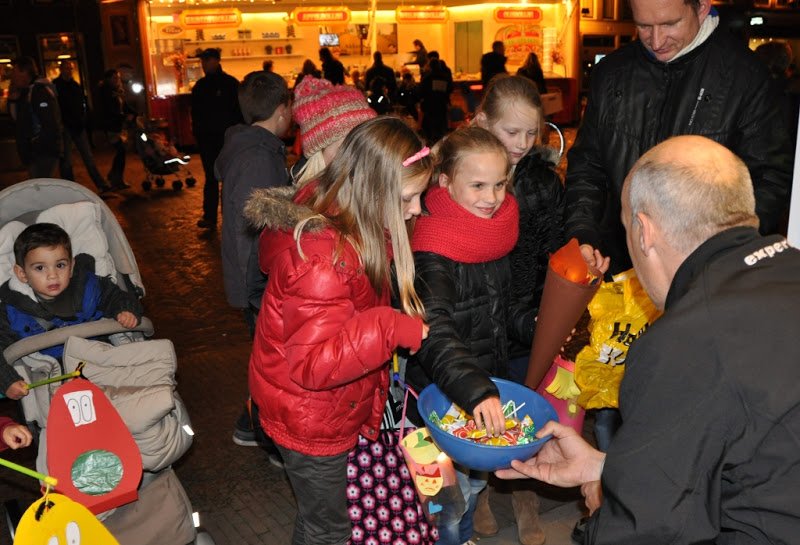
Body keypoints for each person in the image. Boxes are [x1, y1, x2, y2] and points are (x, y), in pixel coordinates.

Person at [498, 135, 800, 544]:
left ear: (643, 231)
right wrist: (610, 468)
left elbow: (646, 530)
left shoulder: (682, 342)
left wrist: (608, 506)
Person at [245, 116, 432, 545]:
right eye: (408, 198)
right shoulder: (324, 260)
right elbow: (313, 364)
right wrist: (388, 327)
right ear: (370, 191)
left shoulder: (356, 223)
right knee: (329, 529)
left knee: (318, 518)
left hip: (322, 411)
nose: (417, 209)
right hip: (310, 423)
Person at [565, 0, 793, 278]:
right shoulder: (612, 73)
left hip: (705, 272)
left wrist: (720, 254)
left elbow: (769, 179)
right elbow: (588, 166)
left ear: (702, 7)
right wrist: (583, 233)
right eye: (644, 26)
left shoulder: (746, 77)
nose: (656, 41)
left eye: (670, 24)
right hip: (618, 263)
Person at [406, 126, 517, 545]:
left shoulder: (492, 234)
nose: (492, 198)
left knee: (471, 488)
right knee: (444, 501)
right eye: (478, 185)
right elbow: (434, 330)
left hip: (481, 391)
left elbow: (502, 307)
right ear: (445, 182)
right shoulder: (433, 248)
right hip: (442, 394)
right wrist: (474, 389)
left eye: (500, 184)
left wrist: (540, 324)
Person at [472, 74, 569, 545]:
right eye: (511, 132)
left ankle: (525, 494)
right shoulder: (458, 170)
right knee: (479, 408)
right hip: (474, 313)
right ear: (482, 121)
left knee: (524, 408)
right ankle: (484, 491)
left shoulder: (541, 181)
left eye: (532, 133)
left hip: (523, 314)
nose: (523, 143)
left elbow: (554, 250)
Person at [214, 71, 293, 460]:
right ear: (282, 110)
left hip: (255, 281)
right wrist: (257, 291)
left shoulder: (255, 150)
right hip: (258, 282)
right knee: (274, 366)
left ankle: (251, 425)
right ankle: (268, 438)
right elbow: (256, 232)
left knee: (268, 362)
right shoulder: (259, 158)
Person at [0, 223, 143, 401]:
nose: (52, 275)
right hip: (54, 378)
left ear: (72, 265)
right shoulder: (12, 311)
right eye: (40, 268)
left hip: (102, 361)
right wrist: (7, 381)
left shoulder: (89, 287)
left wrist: (126, 310)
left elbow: (117, 296)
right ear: (22, 274)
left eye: (60, 265)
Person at [290, 76, 376, 187]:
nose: (361, 157)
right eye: (345, 148)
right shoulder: (305, 201)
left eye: (365, 145)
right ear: (318, 153)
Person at [190, 48, 242, 230]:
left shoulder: (229, 84)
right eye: (202, 61)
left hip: (225, 141)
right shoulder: (201, 86)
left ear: (216, 61)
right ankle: (211, 217)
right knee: (212, 178)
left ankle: (227, 217)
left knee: (227, 179)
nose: (203, 65)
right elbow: (195, 115)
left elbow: (238, 114)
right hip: (209, 140)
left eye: (206, 61)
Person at [53, 61, 112, 194]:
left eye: (70, 69)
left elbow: (81, 103)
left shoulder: (75, 86)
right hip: (65, 127)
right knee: (66, 161)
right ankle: (70, 188)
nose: (68, 71)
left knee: (88, 157)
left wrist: (83, 119)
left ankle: (101, 184)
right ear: (61, 70)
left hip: (78, 126)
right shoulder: (56, 86)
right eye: (66, 69)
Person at [7, 56, 63, 178]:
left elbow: (49, 124)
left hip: (42, 153)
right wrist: (12, 100)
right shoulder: (24, 92)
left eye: (14, 71)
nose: (12, 76)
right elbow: (17, 120)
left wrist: (34, 145)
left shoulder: (39, 92)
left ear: (24, 72)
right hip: (35, 153)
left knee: (42, 192)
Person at [97, 69, 133, 191]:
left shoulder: (117, 91)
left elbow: (124, 105)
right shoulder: (106, 92)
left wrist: (134, 113)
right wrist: (123, 116)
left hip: (118, 125)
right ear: (108, 79)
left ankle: (115, 176)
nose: (117, 80)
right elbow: (109, 110)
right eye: (114, 78)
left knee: (121, 151)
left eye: (117, 78)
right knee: (121, 150)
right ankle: (116, 178)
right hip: (111, 126)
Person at [418, 58, 453, 144]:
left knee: (430, 130)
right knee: (441, 129)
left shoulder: (427, 78)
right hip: (441, 106)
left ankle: (431, 145)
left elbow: (421, 92)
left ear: (430, 67)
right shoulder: (445, 78)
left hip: (430, 107)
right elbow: (449, 90)